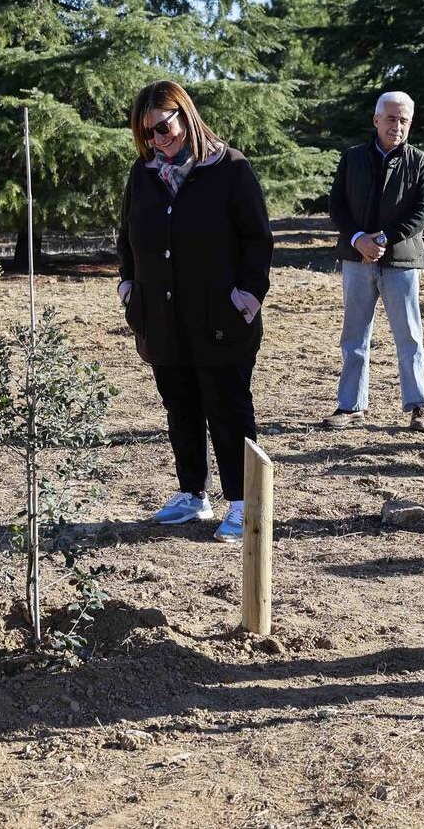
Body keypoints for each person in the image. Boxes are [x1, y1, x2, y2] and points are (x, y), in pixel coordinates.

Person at [116, 79, 273, 543]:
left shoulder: (230, 168)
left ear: (185, 116)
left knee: (227, 407)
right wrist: (128, 282)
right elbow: (127, 233)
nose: (156, 141)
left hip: (221, 317)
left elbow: (257, 239)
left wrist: (247, 295)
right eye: (147, 134)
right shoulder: (143, 174)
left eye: (163, 128)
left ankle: (244, 502)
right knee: (179, 404)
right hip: (161, 316)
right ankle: (192, 494)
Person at [321, 91, 424, 433]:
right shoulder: (352, 158)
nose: (397, 126)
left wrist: (383, 239)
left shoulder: (421, 162)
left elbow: (422, 211)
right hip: (357, 259)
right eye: (391, 119)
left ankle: (418, 407)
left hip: (401, 261)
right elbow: (337, 205)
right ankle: (350, 406)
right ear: (376, 120)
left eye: (404, 120)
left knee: (409, 336)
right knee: (354, 334)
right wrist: (358, 240)